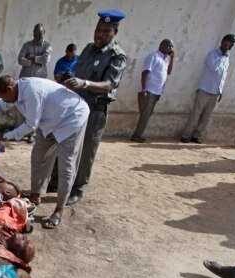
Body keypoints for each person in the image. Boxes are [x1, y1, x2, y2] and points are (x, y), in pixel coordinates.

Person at [0, 76, 88, 229]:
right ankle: (36, 195)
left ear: (9, 89)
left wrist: (3, 136)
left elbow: (31, 125)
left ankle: (59, 210)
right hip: (48, 121)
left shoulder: (31, 93)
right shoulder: (14, 92)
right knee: (38, 158)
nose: (5, 100)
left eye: (4, 96)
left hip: (71, 119)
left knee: (66, 167)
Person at [49, 10, 128, 205]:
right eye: (98, 29)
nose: (99, 34)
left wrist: (84, 83)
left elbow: (109, 84)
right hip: (76, 106)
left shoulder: (117, 56)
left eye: (105, 31)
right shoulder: (88, 49)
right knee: (64, 141)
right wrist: (67, 78)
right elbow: (78, 72)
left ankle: (77, 187)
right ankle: (56, 180)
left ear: (114, 33)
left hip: (95, 109)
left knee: (86, 150)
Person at [181, 34, 235, 144]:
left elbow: (223, 76)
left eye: (232, 44)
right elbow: (214, 68)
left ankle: (196, 135)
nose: (230, 45)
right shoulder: (213, 54)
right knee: (196, 114)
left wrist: (220, 91)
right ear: (224, 41)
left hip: (215, 92)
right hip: (205, 90)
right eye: (230, 42)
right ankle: (185, 135)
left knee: (206, 116)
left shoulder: (227, 57)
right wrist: (222, 55)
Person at [131, 39, 175, 143]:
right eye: (169, 46)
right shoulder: (153, 56)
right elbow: (145, 73)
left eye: (172, 47)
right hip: (149, 91)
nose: (171, 48)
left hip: (157, 92)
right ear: (162, 45)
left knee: (147, 115)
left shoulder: (165, 59)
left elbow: (168, 72)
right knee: (145, 115)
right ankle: (136, 136)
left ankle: (137, 135)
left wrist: (172, 58)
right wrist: (144, 90)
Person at [17, 23, 52, 144]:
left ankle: (32, 134)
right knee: (22, 106)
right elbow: (20, 60)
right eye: (35, 34)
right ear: (33, 33)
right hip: (25, 81)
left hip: (39, 83)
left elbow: (46, 59)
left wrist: (32, 58)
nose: (37, 36)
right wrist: (37, 60)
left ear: (44, 33)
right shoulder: (26, 45)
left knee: (36, 108)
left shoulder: (47, 45)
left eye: (39, 34)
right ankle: (22, 132)